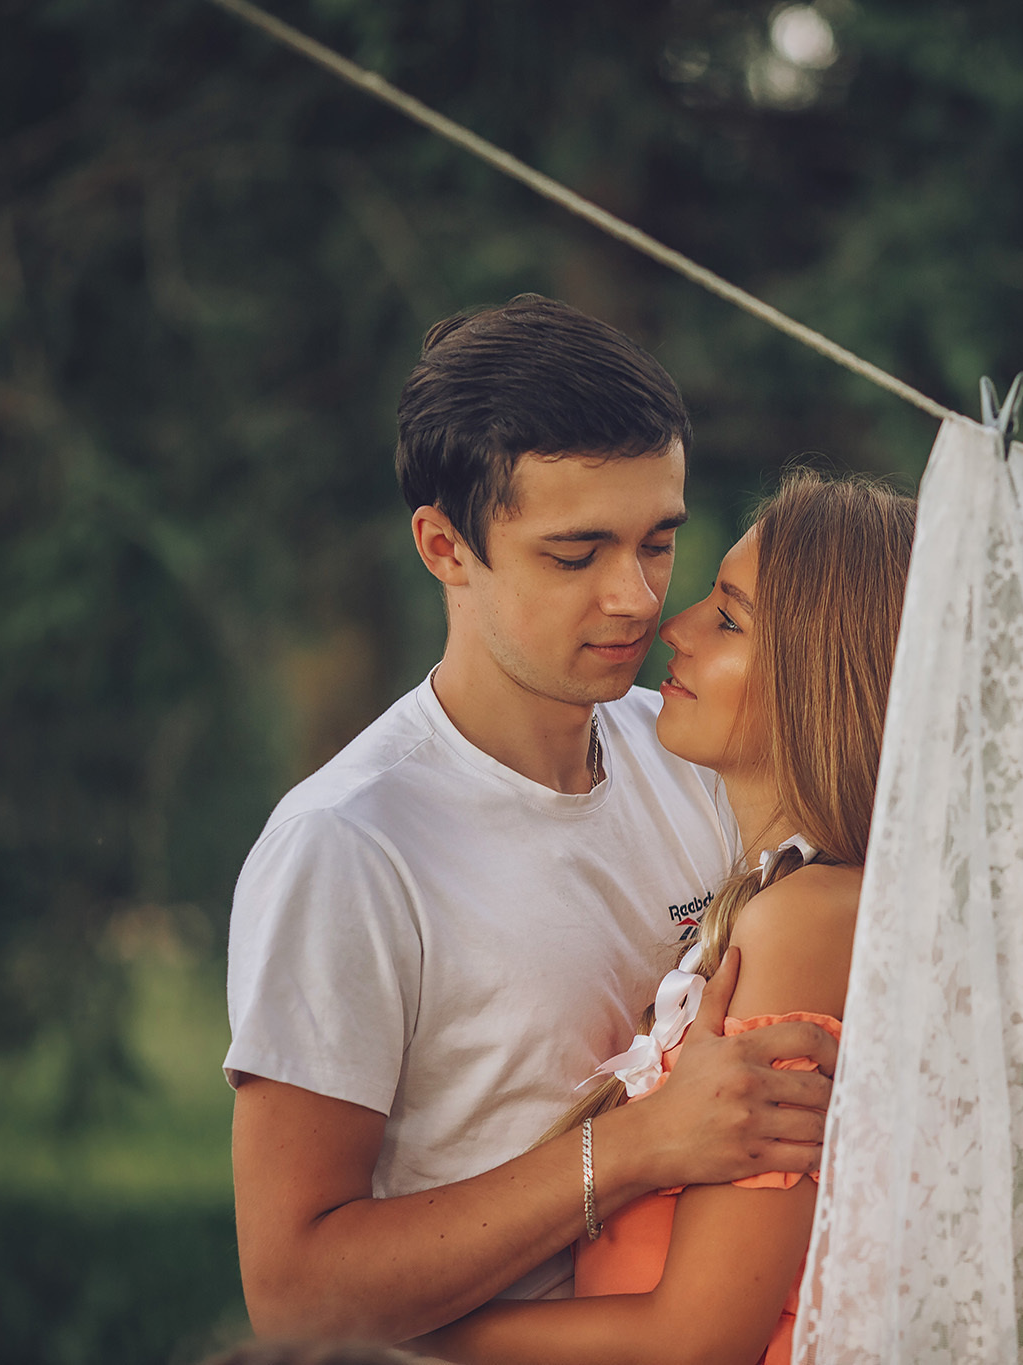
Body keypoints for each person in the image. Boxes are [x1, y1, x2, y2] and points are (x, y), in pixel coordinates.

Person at [225, 296, 842, 1345]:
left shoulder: (702, 753)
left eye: (658, 542)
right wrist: (638, 1146)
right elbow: (292, 1291)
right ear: (444, 546)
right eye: (575, 554)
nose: (636, 598)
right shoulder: (349, 844)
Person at [411, 470, 916, 1365]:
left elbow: (696, 1339)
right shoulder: (794, 895)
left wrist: (409, 1336)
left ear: (822, 675)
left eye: (729, 619)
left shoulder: (806, 921)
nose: (670, 625)